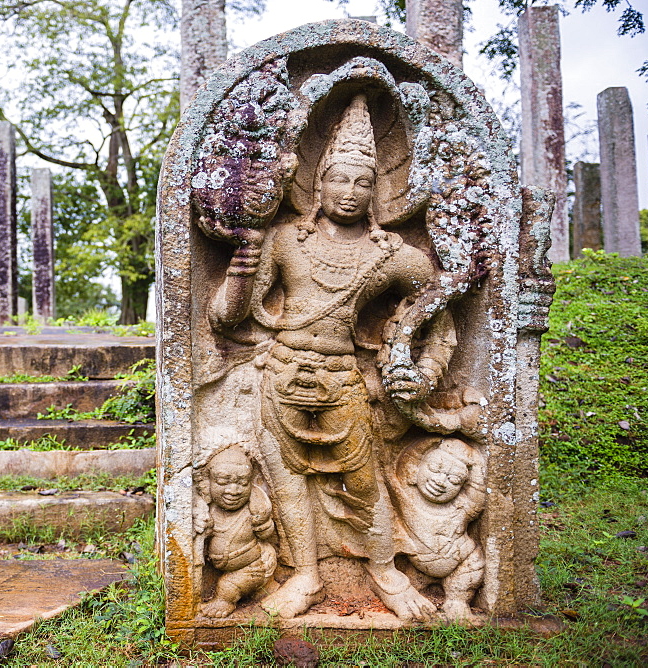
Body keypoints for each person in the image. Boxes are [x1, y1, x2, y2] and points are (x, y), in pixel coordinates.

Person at [208, 93, 456, 621]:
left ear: (376, 190)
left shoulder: (391, 255)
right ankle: (304, 576)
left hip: (343, 378)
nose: (348, 192)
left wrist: (424, 370)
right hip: (281, 375)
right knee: (287, 481)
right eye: (339, 179)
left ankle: (385, 569)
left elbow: (439, 314)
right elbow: (226, 319)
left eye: (361, 182)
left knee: (364, 479)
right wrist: (239, 270)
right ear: (318, 185)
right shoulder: (282, 240)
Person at [391, 438, 486, 621]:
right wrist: (429, 441)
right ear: (415, 470)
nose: (441, 481)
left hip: (459, 562)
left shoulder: (461, 508)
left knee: (474, 564)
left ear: (462, 486)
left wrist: (475, 462)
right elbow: (406, 462)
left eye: (454, 479)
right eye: (435, 469)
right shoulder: (407, 497)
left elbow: (478, 493)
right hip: (415, 565)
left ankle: (457, 601)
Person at [193, 443, 278, 618]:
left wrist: (262, 523)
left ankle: (225, 601)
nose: (233, 491)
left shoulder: (253, 509)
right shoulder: (211, 510)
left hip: (254, 566)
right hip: (226, 565)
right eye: (223, 482)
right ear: (207, 482)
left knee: (227, 586)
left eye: (242, 483)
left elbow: (267, 533)